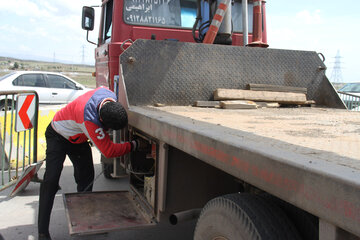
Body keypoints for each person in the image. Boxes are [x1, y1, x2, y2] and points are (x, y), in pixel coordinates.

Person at [38, 86, 145, 240]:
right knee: (51, 180)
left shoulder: (109, 95)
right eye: (107, 128)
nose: (107, 130)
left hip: (78, 138)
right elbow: (109, 151)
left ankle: (85, 220)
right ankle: (42, 232)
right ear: (101, 120)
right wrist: (135, 145)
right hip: (57, 135)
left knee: (86, 177)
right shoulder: (89, 118)